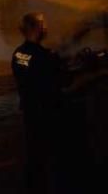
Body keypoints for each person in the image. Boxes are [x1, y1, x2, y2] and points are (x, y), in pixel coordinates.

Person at [12, 12, 64, 192]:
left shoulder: (18, 54)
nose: (46, 27)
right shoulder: (44, 57)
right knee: (50, 158)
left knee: (33, 155)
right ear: (35, 28)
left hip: (29, 111)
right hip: (46, 114)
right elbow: (59, 83)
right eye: (43, 24)